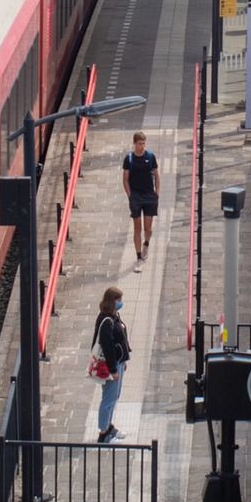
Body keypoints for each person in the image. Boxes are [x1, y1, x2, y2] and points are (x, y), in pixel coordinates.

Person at [93, 286, 132, 443]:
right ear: (112, 301)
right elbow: (108, 346)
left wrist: (123, 360)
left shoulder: (114, 316)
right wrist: (114, 369)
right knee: (108, 398)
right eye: (118, 300)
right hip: (112, 364)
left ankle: (109, 427)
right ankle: (103, 433)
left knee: (113, 396)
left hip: (119, 362)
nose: (121, 303)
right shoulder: (106, 320)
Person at [122, 131, 160, 269]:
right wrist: (130, 195)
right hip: (136, 197)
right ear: (134, 143)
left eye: (144, 143)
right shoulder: (129, 159)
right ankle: (138, 256)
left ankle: (146, 244)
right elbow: (125, 179)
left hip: (149, 195)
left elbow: (156, 175)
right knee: (137, 227)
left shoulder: (150, 157)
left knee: (148, 228)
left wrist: (157, 193)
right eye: (139, 144)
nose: (142, 146)